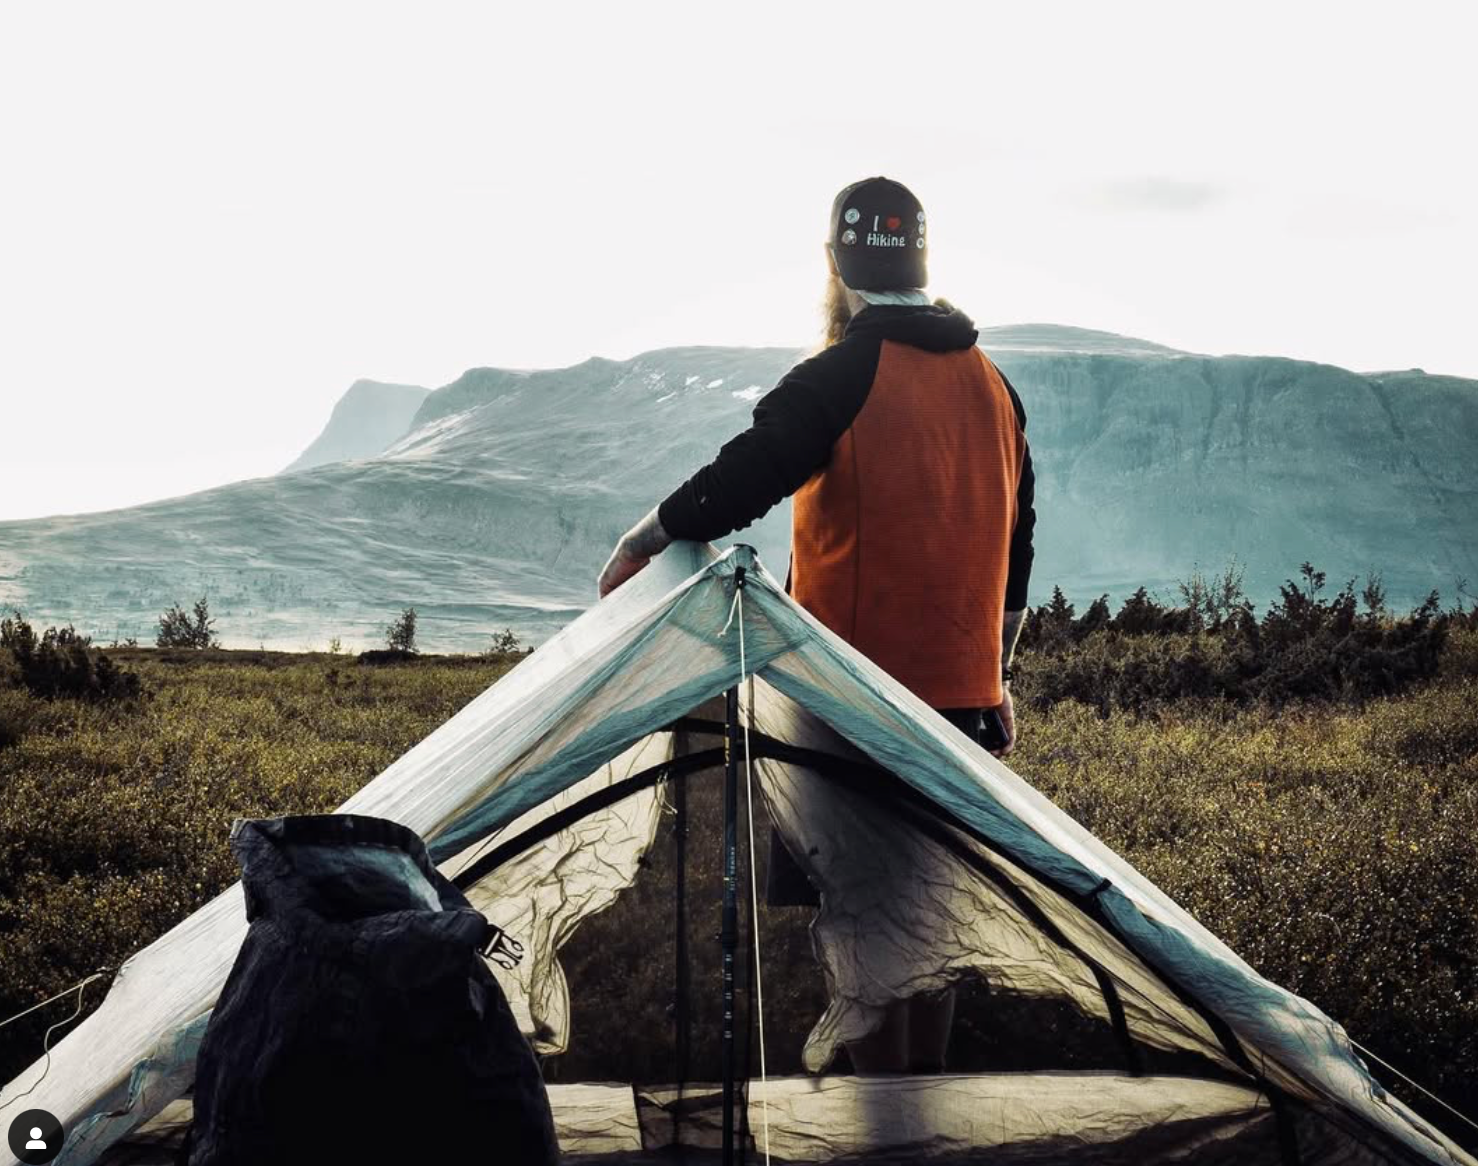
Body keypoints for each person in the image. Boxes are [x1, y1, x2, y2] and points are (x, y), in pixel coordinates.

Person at [596, 175, 1036, 1073]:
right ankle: (926, 1123)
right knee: (931, 931)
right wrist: (996, 677)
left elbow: (740, 478)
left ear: (836, 267)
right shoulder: (997, 389)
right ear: (923, 262)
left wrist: (638, 543)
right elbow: (1018, 561)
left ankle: (879, 1133)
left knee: (869, 932)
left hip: (853, 710)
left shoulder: (841, 374)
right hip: (962, 717)